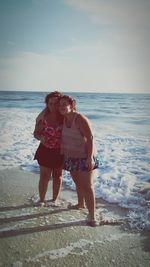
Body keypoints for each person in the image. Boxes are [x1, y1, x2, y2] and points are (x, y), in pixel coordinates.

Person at [59, 95, 99, 226]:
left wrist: (89, 158)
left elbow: (90, 137)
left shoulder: (80, 119)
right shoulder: (64, 118)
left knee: (87, 186)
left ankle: (92, 216)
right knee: (77, 183)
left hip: (84, 157)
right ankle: (80, 204)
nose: (61, 107)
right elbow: (46, 112)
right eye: (60, 105)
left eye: (64, 104)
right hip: (71, 156)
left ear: (72, 105)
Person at [33, 91, 64, 205]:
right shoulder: (43, 118)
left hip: (61, 151)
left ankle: (55, 200)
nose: (53, 106)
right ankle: (41, 200)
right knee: (44, 177)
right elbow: (36, 133)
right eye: (50, 103)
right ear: (47, 104)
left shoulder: (65, 117)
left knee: (58, 176)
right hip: (45, 150)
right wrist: (41, 137)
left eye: (56, 103)